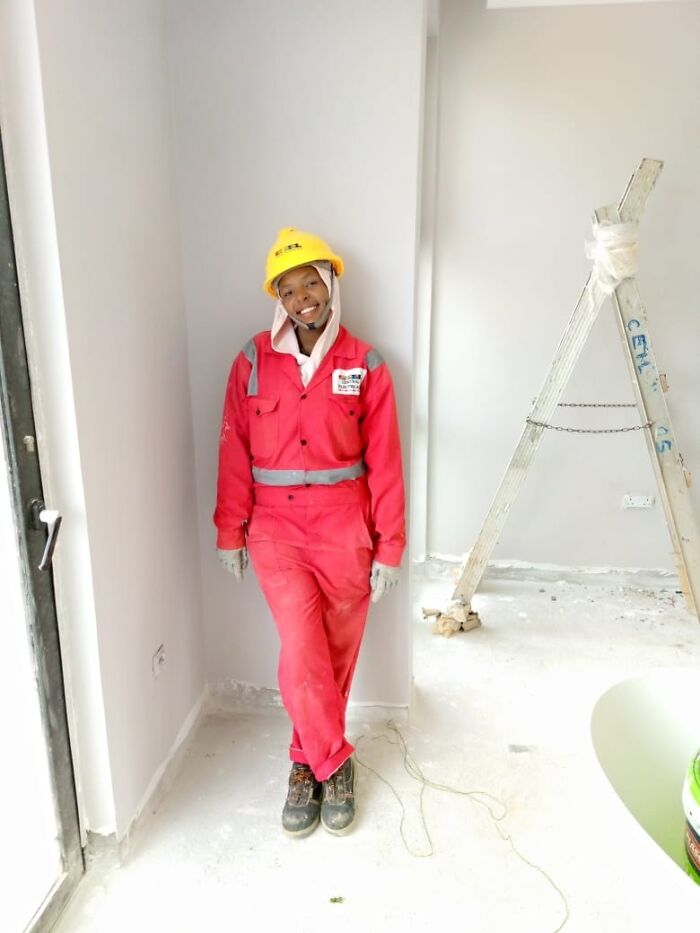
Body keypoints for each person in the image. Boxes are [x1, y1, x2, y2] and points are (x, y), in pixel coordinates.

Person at [214, 227, 406, 838]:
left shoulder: (366, 364)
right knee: (302, 648)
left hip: (346, 526)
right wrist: (230, 530)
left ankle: (306, 762)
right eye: (289, 289)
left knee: (336, 657)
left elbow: (386, 460)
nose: (303, 299)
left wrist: (391, 546)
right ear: (279, 299)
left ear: (331, 284)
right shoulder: (251, 361)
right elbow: (232, 450)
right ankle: (330, 762)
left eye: (312, 284)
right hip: (276, 529)